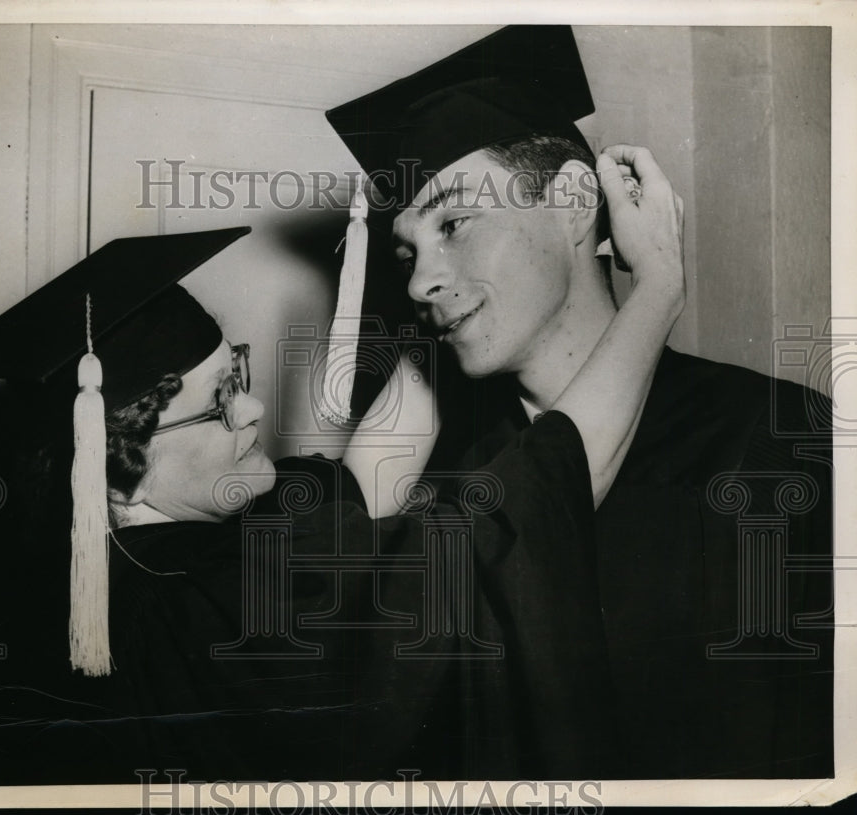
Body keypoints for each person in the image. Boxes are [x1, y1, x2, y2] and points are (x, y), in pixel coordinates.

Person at [0, 161, 685, 782]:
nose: (253, 410)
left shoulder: (159, 556)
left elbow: (356, 490)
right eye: (220, 405)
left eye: (241, 376)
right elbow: (509, 529)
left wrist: (447, 309)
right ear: (119, 475)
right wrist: (657, 287)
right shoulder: (196, 607)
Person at [325, 24, 833, 779]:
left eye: (454, 224)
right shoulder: (441, 496)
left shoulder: (780, 440)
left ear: (571, 201)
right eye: (407, 252)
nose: (417, 282)